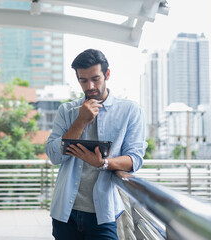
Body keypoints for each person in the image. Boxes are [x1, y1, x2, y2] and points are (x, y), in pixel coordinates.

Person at [45, 49, 147, 240]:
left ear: (107, 74)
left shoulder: (130, 111)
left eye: (95, 78)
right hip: (65, 211)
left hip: (104, 213)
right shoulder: (67, 111)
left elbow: (135, 159)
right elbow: (53, 155)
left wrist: (103, 163)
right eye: (83, 80)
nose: (90, 86)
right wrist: (80, 121)